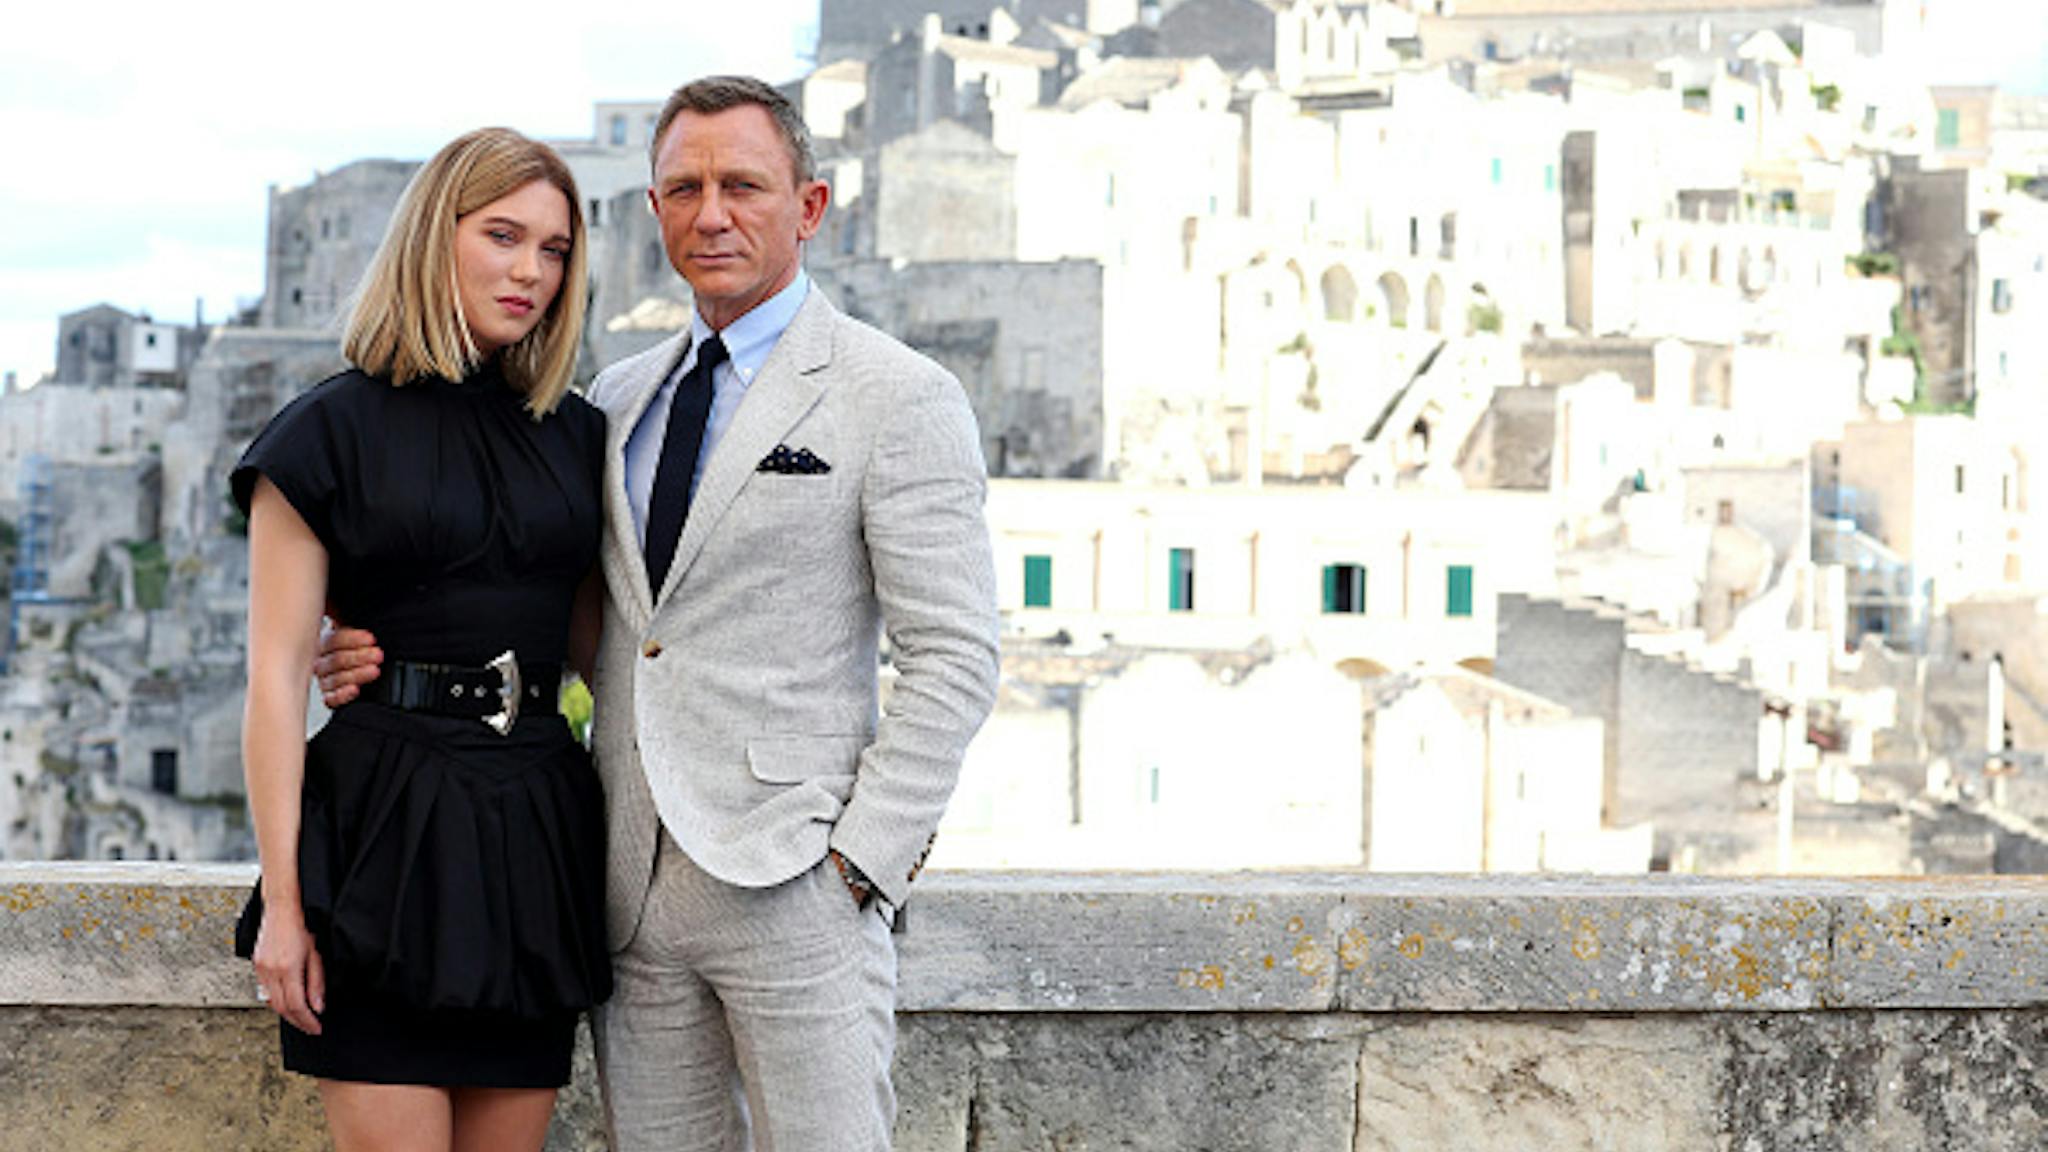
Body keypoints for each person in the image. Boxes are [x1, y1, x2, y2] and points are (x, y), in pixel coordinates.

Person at [319, 75, 1000, 1150]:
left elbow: (954, 656)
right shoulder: (615, 399)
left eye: (742, 185)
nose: (711, 213)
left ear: (808, 207)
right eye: (683, 188)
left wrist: (861, 861)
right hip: (624, 886)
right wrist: (384, 647)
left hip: (796, 883)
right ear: (653, 211)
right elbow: (576, 611)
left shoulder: (896, 396)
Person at [237, 127, 612, 1152]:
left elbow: (610, 655)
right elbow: (273, 680)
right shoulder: (324, 435)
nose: (531, 270)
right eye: (503, 235)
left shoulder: (579, 439)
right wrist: (283, 904)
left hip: (535, 836)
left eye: (554, 249)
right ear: (432, 236)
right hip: (381, 839)